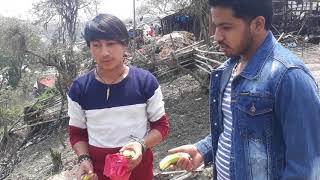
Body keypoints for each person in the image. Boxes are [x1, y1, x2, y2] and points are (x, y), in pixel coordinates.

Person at [169, 0, 320, 179]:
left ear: (257, 24)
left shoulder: (289, 76)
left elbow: (307, 167)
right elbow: (233, 129)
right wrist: (202, 150)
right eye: (216, 26)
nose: (217, 36)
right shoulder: (227, 70)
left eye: (226, 27)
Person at [67, 14, 169, 180]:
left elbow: (161, 126)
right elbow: (77, 133)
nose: (104, 52)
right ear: (89, 48)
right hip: (98, 174)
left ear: (125, 44)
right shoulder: (79, 89)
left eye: (111, 44)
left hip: (139, 172)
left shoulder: (145, 82)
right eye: (96, 45)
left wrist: (141, 144)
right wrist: (84, 158)